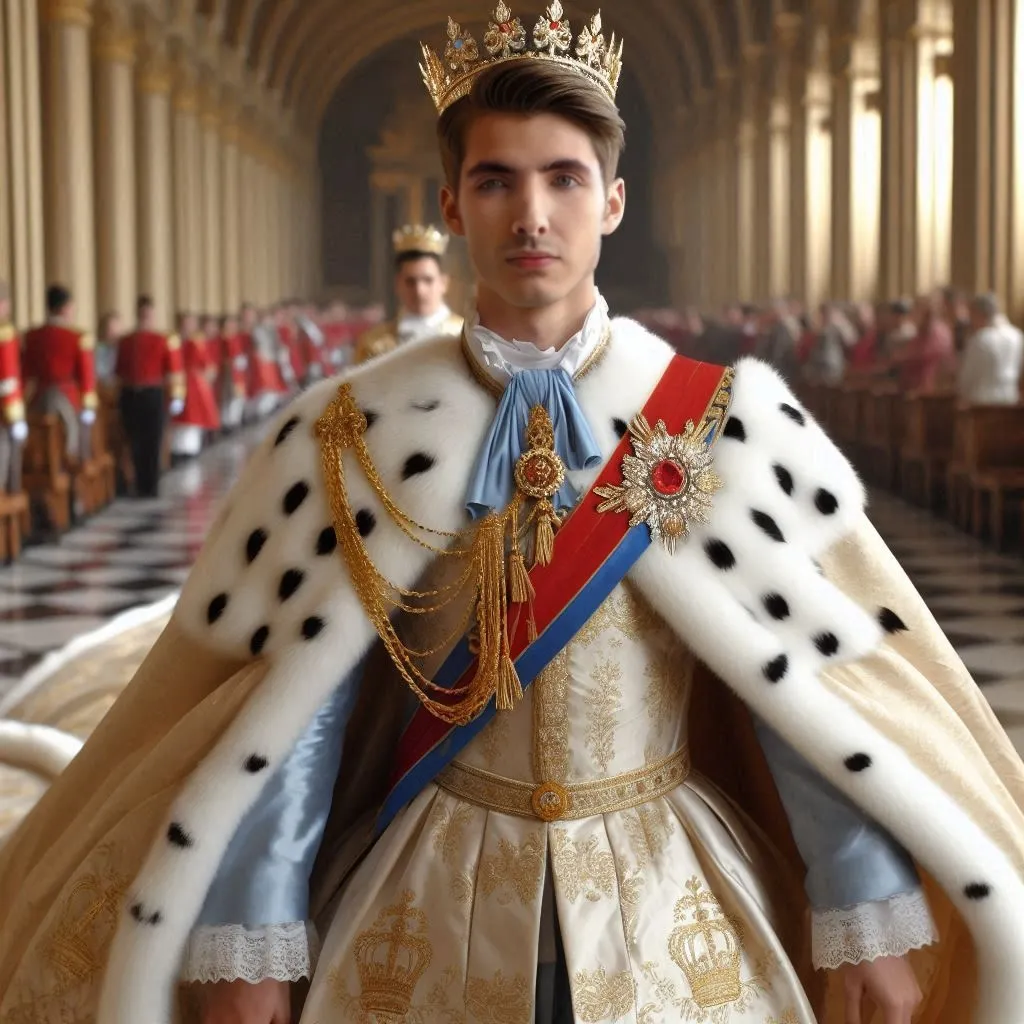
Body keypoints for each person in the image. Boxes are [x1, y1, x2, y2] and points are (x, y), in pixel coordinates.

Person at [1, 8, 1023, 1024]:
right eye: (496, 180)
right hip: (432, 888)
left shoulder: (722, 418)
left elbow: (799, 688)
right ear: (452, 200)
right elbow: (294, 706)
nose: (530, 214)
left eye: (563, 178)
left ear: (612, 201)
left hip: (668, 892)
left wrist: (864, 902)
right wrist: (250, 933)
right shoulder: (354, 428)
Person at [354, 223, 464, 362]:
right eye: (410, 281)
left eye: (428, 280)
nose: (419, 290)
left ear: (444, 283)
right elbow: (350, 384)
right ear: (398, 283)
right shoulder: (374, 344)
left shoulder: (465, 339)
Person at [115, 296, 186, 497]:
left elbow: (175, 371)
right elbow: (120, 371)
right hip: (131, 394)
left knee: (153, 441)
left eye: (148, 314)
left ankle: (152, 484)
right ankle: (139, 483)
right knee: (135, 440)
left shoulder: (164, 340)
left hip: (153, 393)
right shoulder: (127, 341)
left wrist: (177, 395)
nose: (145, 317)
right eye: (142, 313)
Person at [22, 284, 98, 461]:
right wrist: (89, 405)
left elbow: (25, 371)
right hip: (68, 396)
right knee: (77, 438)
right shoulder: (77, 337)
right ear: (65, 308)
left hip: (39, 396)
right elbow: (86, 376)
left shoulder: (32, 336)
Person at [957, 293, 1024, 405]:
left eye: (972, 315)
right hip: (1011, 399)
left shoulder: (980, 339)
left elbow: (967, 378)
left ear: (979, 314)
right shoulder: (1017, 336)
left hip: (981, 402)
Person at [170, 312, 220, 459]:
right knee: (178, 423)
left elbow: (207, 366)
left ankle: (188, 452)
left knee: (192, 421)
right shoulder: (174, 340)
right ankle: (177, 453)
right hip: (178, 384)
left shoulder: (197, 342)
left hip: (194, 387)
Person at [0, 282, 27, 493]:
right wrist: (15, 416)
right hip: (4, 412)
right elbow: (8, 380)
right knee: (8, 461)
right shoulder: (5, 333)